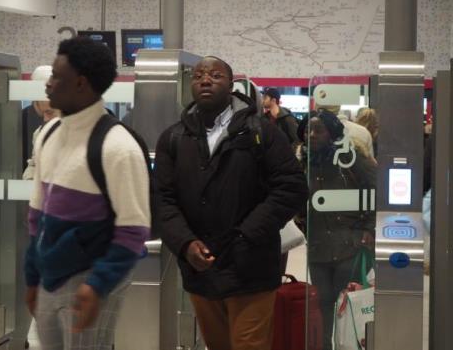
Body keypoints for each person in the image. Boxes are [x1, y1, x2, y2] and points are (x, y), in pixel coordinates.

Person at [154, 56, 308, 350]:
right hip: (201, 268)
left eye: (215, 75)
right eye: (199, 76)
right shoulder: (173, 137)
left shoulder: (261, 132)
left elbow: (292, 187)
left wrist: (247, 234)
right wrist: (185, 244)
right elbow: (163, 198)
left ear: (231, 84)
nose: (205, 80)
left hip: (250, 264)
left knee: (250, 344)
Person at [24, 37, 150, 350]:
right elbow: (37, 215)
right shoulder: (48, 134)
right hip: (50, 276)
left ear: (80, 84)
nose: (47, 85)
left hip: (91, 278)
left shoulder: (119, 147)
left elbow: (134, 230)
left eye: (56, 77)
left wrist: (97, 285)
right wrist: (31, 275)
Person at [300, 110, 376, 350]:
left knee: (348, 303)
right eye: (308, 130)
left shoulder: (352, 160)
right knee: (322, 304)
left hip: (350, 244)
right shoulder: (302, 163)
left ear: (332, 133)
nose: (311, 135)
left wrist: (368, 228)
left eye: (318, 130)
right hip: (318, 245)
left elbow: (375, 193)